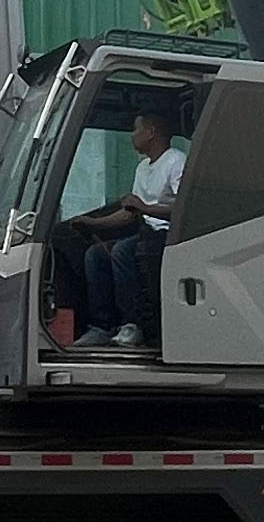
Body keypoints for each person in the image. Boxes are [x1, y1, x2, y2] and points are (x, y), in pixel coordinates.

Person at [66, 108, 185, 346]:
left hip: (168, 234)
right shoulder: (142, 168)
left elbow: (185, 207)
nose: (132, 135)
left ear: (151, 132)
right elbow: (131, 213)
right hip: (145, 233)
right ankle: (102, 325)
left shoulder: (176, 160)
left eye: (136, 129)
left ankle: (134, 324)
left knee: (122, 251)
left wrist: (145, 208)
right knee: (95, 255)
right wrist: (94, 223)